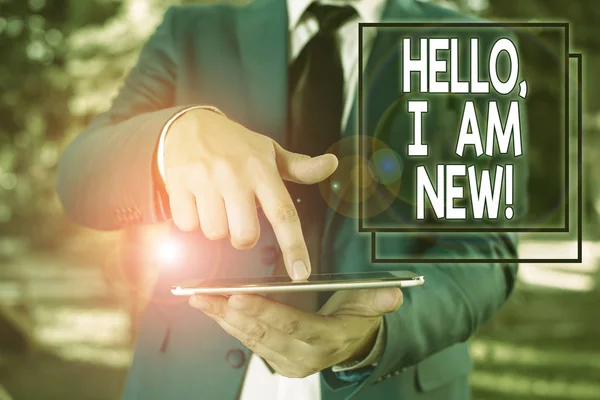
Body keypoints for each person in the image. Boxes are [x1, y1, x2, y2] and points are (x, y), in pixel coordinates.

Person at [56, 0, 527, 398]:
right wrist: (168, 138)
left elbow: (485, 248)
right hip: (189, 375)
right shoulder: (193, 29)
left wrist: (380, 334)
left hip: (390, 381)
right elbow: (78, 182)